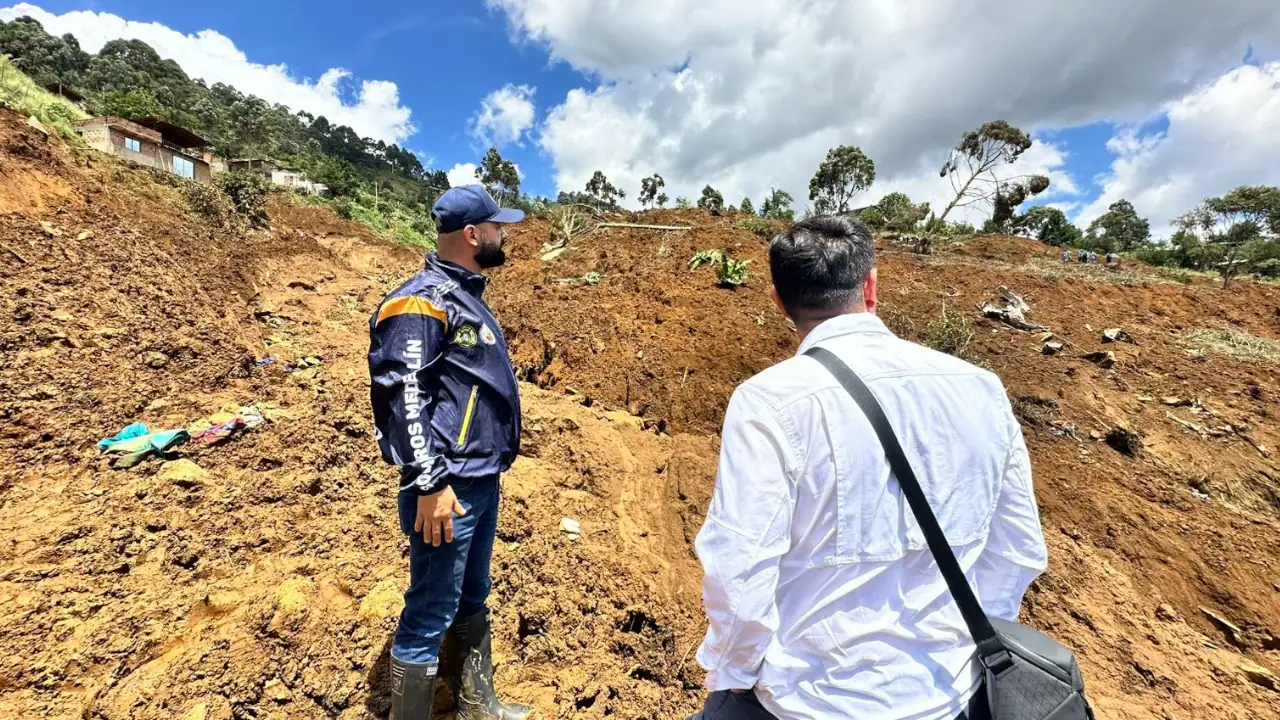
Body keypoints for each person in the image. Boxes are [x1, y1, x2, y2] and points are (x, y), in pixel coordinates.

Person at [689, 216, 1048, 720]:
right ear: (871, 285)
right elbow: (1017, 549)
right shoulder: (981, 388)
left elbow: (739, 567)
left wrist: (738, 675)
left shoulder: (769, 401)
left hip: (806, 701)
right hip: (949, 695)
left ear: (779, 301)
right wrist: (960, 647)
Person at [368, 185, 531, 720]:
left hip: (480, 479)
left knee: (472, 596)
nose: (503, 234)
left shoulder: (466, 299)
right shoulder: (421, 300)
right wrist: (429, 482)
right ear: (472, 234)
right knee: (430, 609)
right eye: (497, 227)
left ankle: (475, 706)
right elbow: (403, 394)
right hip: (448, 486)